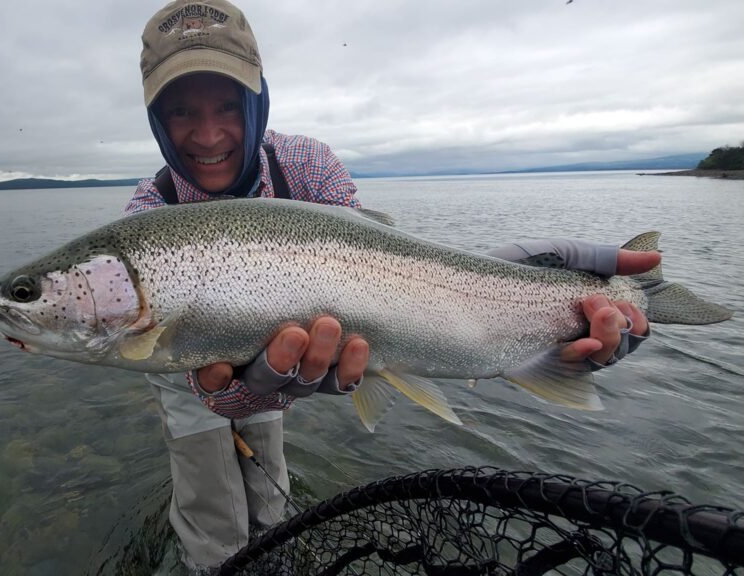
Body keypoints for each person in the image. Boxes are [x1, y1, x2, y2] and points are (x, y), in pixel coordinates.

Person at [125, 1, 659, 571]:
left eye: (228, 106)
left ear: (258, 99)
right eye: (180, 111)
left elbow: (384, 268)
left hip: (295, 356)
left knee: (266, 466)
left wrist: (518, 284)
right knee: (207, 485)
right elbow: (204, 387)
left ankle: (270, 548)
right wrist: (238, 395)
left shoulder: (306, 164)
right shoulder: (146, 216)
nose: (208, 134)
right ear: (156, 118)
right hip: (183, 367)